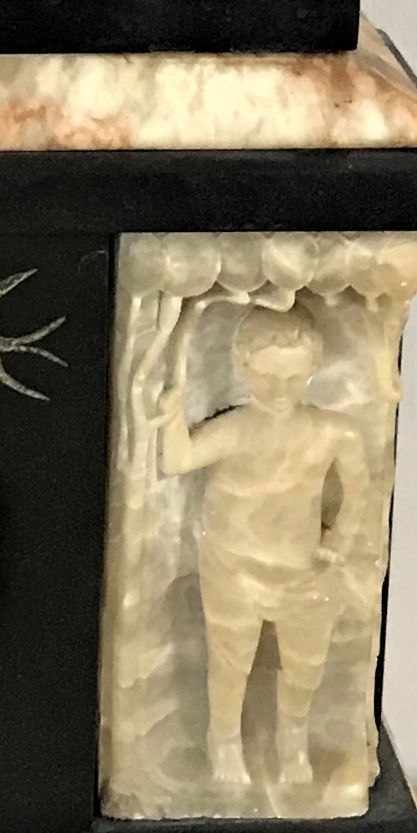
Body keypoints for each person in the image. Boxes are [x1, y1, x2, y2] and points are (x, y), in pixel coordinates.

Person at [157, 305, 369, 788]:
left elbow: (359, 493)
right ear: (243, 366)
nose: (279, 388)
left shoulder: (334, 432)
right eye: (267, 374)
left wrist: (339, 537)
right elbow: (178, 460)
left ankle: (292, 737)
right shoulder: (235, 429)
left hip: (305, 571)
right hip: (235, 567)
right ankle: (224, 740)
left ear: (312, 369)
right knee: (231, 662)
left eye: (293, 376)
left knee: (305, 665)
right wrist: (171, 415)